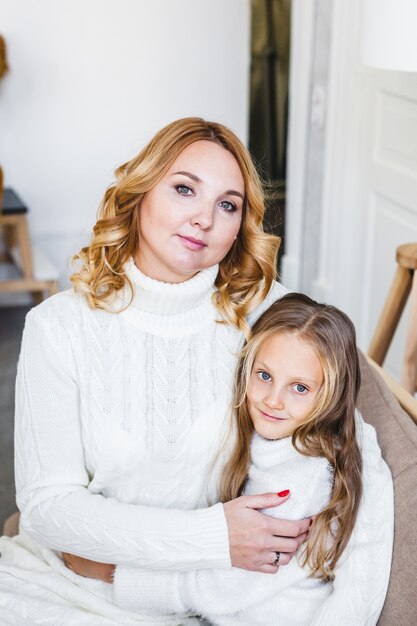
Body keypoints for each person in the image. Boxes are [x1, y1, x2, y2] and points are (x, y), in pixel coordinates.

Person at [0, 118, 392, 625]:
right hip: (75, 584)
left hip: (215, 595)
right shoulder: (57, 327)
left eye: (227, 204)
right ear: (139, 192)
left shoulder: (267, 313)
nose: (203, 219)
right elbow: (49, 510)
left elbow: (362, 462)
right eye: (185, 189)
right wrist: (215, 538)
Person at [65, 293, 393, 626]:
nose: (273, 400)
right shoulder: (278, 440)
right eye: (264, 376)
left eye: (299, 388)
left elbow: (225, 585)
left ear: (331, 395)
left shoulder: (301, 475)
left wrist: (114, 573)